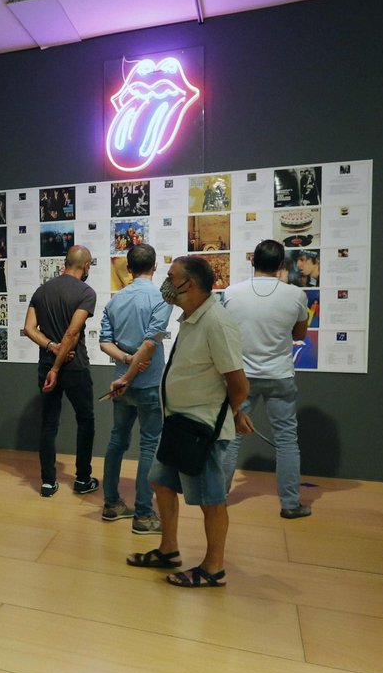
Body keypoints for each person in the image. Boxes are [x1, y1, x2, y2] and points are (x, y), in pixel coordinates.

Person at [115, 256, 252, 588]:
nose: (166, 281)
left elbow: (238, 384)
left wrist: (229, 413)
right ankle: (169, 549)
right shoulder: (192, 317)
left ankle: (213, 568)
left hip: (201, 429)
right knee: (160, 482)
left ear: (189, 284)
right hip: (179, 424)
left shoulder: (216, 322)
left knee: (211, 498)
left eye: (171, 276)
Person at [219, 240, 313, 519]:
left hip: (241, 376)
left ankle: (218, 498)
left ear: (252, 262)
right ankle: (290, 504)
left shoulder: (232, 293)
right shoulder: (296, 295)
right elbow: (299, 336)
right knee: (286, 440)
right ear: (282, 266)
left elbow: (226, 332)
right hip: (279, 375)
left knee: (230, 438)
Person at [97, 244, 171, 532]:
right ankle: (142, 514)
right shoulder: (160, 298)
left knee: (117, 441)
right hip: (148, 384)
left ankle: (112, 504)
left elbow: (105, 342)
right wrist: (132, 369)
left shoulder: (115, 301)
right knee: (149, 445)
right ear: (155, 267)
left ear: (128, 268)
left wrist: (125, 366)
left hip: (121, 386)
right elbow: (151, 343)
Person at [24, 244, 99, 497]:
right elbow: (73, 332)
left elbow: (29, 329)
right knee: (85, 420)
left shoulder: (41, 291)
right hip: (74, 367)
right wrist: (59, 360)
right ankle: (82, 479)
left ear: (64, 263)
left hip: (46, 365)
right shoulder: (86, 292)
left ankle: (47, 482)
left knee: (48, 423)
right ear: (86, 266)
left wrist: (51, 347)